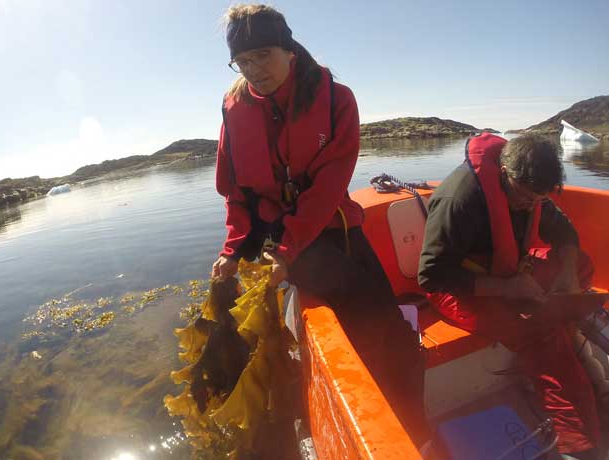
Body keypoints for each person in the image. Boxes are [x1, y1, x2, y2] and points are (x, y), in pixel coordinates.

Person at [210, 3, 429, 445]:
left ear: (289, 50)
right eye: (244, 61)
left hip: (328, 227)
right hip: (274, 237)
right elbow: (234, 190)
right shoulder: (234, 106)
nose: (254, 69)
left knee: (387, 326)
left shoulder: (336, 99)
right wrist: (233, 247)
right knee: (376, 326)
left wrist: (289, 252)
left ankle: (411, 427)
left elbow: (330, 185)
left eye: (264, 54)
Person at [419, 133, 602, 460]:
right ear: (505, 172)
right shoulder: (459, 201)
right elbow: (433, 274)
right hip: (460, 289)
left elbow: (565, 234)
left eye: (538, 200)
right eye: (526, 198)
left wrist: (567, 274)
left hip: (510, 276)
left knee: (582, 265)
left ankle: (558, 326)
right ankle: (579, 445)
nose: (531, 205)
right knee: (541, 333)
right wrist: (506, 288)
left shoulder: (531, 189)